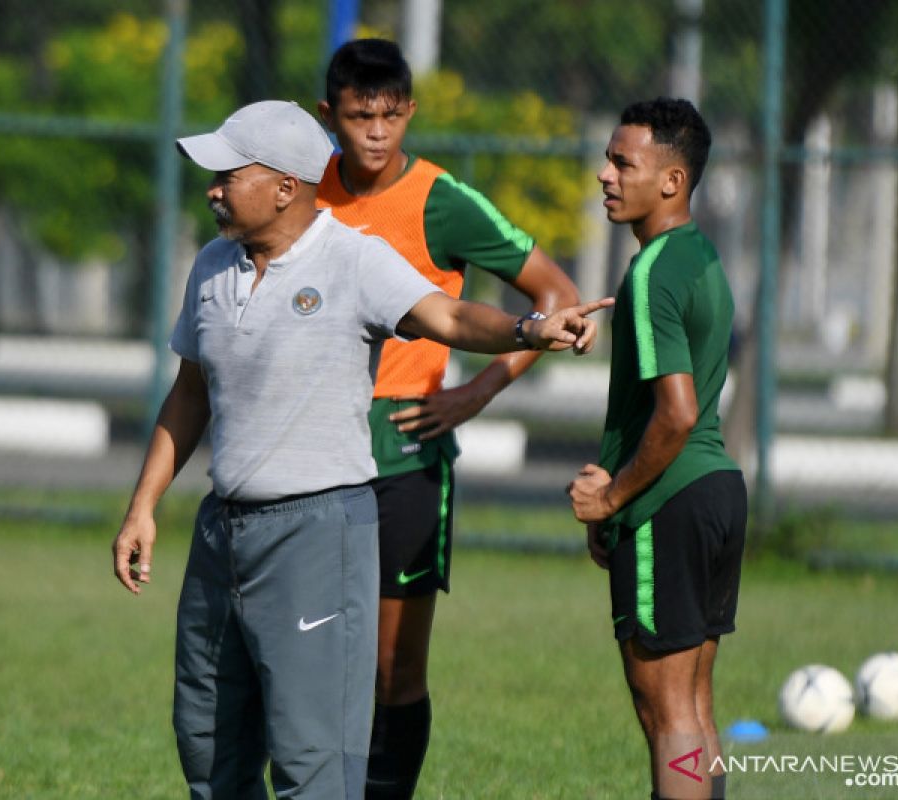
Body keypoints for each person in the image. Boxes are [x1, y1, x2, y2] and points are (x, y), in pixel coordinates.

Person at [111, 99, 610, 800]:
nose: (212, 189)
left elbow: (451, 314)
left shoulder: (353, 258)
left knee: (313, 761)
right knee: (209, 748)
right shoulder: (212, 266)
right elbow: (188, 396)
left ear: (286, 186)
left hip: (316, 534)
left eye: (228, 174)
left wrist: (528, 329)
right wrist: (143, 507)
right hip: (220, 534)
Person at [315, 39, 580, 799]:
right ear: (328, 115)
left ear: (410, 114)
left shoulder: (441, 200)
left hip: (404, 454)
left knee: (393, 669)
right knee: (305, 655)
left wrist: (478, 391)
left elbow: (554, 295)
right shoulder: (300, 190)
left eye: (390, 117)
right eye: (359, 116)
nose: (375, 133)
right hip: (312, 451)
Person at [567, 98, 746, 800]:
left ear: (672, 181)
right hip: (716, 492)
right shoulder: (698, 254)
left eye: (622, 163)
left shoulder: (650, 273)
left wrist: (612, 497)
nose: (605, 175)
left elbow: (676, 413)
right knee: (695, 708)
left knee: (665, 711)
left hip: (667, 504)